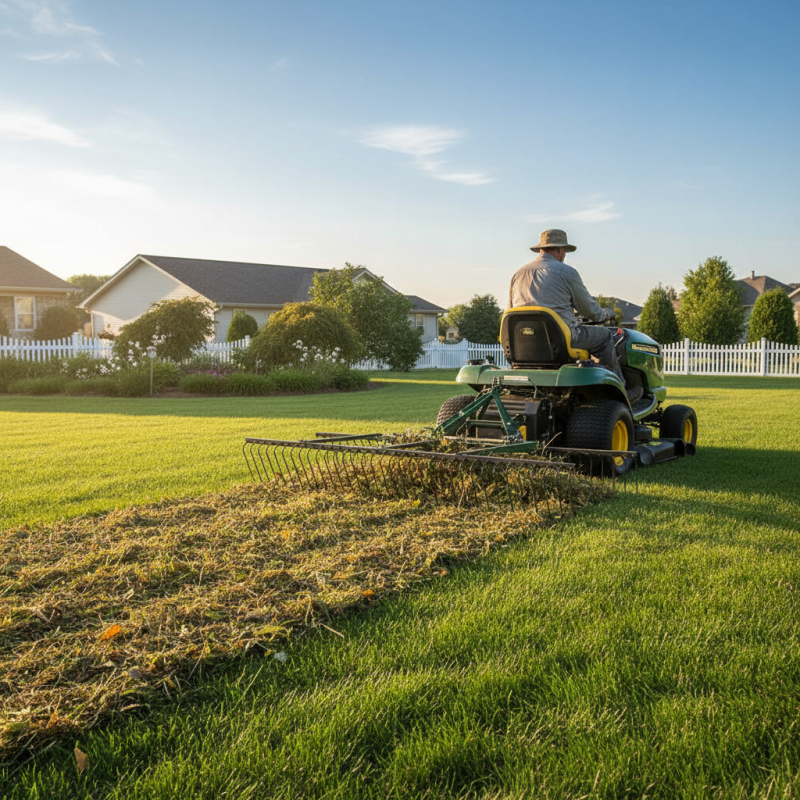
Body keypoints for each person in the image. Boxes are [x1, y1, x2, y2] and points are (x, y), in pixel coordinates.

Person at [508, 228, 644, 404]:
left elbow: (511, 311)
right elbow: (591, 311)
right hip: (561, 340)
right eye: (564, 251)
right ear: (560, 250)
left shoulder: (518, 274)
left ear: (541, 249)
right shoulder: (566, 272)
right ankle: (619, 391)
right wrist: (606, 313)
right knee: (604, 337)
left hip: (523, 344)